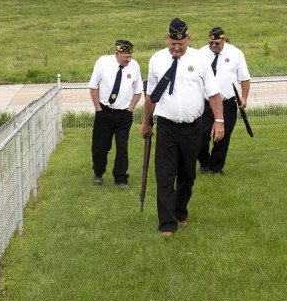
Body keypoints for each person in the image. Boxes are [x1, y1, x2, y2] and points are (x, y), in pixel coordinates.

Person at [140, 18, 224, 236]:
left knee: (188, 175)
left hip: (193, 127)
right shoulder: (156, 59)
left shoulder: (200, 60)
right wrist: (145, 123)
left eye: (182, 43)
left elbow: (214, 94)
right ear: (167, 38)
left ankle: (180, 213)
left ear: (189, 38)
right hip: (166, 126)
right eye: (173, 43)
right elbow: (151, 95)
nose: (177, 48)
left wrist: (219, 120)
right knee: (165, 175)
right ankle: (166, 224)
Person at [88, 39, 143, 188]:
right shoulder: (103, 63)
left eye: (130, 56)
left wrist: (130, 108)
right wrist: (98, 108)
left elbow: (138, 91)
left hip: (124, 115)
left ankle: (121, 178)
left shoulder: (134, 66)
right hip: (104, 113)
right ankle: (98, 173)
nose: (129, 60)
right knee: (100, 147)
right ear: (117, 54)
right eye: (126, 57)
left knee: (122, 147)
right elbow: (93, 87)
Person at [197, 27, 251, 175]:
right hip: (205, 103)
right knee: (201, 136)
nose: (213, 46)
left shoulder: (235, 53)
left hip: (227, 102)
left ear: (224, 40)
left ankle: (216, 169)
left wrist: (244, 97)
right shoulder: (199, 54)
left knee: (222, 137)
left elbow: (245, 78)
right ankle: (204, 162)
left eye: (217, 43)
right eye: (211, 43)